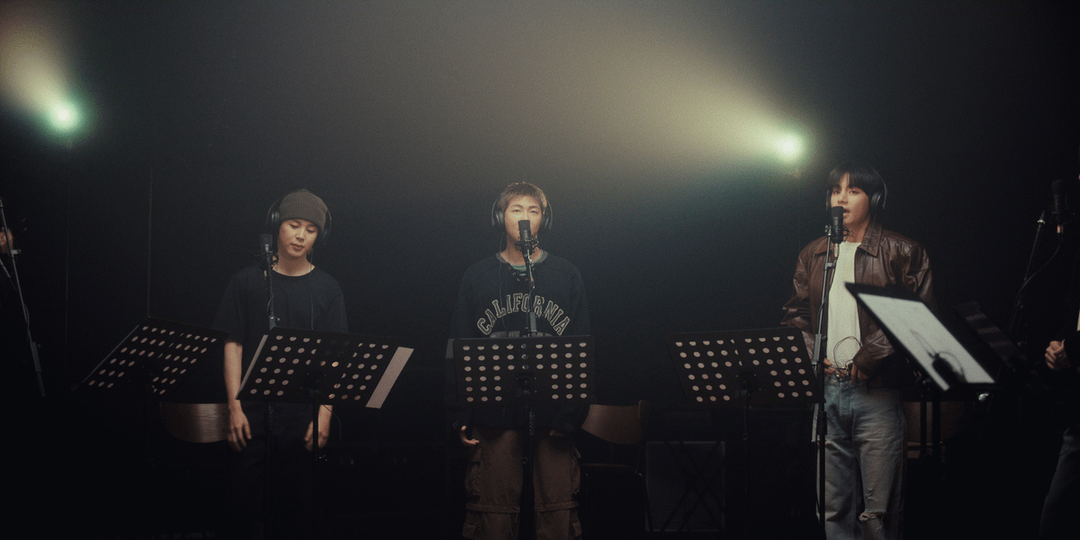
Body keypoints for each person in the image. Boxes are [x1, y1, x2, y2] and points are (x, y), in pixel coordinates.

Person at [781, 162, 933, 540]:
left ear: (874, 199)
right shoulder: (814, 253)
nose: (842, 199)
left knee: (879, 513)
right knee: (833, 510)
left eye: (853, 191)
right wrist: (813, 356)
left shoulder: (903, 251)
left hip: (877, 393)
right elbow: (797, 316)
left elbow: (919, 316)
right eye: (836, 190)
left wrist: (868, 358)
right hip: (827, 392)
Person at [449, 182, 591, 540]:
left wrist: (571, 413)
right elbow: (457, 346)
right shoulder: (477, 276)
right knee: (492, 517)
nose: (524, 217)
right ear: (500, 218)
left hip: (553, 417)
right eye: (516, 210)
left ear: (544, 219)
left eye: (533, 210)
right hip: (494, 416)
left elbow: (582, 348)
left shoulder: (566, 274)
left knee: (557, 515)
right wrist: (460, 412)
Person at [213, 189, 347, 540]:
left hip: (302, 416)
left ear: (319, 237)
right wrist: (234, 407)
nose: (301, 235)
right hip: (251, 415)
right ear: (277, 225)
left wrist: (324, 415)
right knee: (241, 513)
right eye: (293, 225)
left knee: (297, 516)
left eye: (310, 230)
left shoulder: (328, 289)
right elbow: (232, 344)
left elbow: (334, 358)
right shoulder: (246, 281)